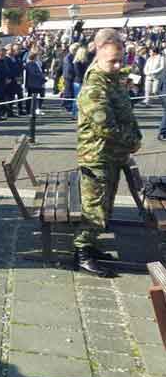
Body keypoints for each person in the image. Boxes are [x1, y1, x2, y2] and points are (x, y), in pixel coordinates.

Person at [73, 28, 142, 277]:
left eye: (120, 60)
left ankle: (91, 248)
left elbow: (126, 113)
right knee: (95, 209)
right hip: (98, 157)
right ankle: (82, 253)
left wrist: (135, 136)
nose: (118, 66)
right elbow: (105, 127)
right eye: (113, 61)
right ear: (99, 52)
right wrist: (132, 142)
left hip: (112, 156)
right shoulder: (94, 87)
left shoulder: (111, 80)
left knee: (105, 205)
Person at [24, 50, 46, 115]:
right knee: (32, 97)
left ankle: (35, 109)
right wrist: (41, 77)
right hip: (33, 83)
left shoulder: (34, 63)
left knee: (38, 96)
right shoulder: (30, 64)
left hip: (36, 83)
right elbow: (33, 73)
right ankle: (30, 110)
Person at [72, 46, 91, 119]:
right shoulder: (77, 63)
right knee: (77, 99)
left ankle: (81, 114)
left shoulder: (85, 62)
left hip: (82, 82)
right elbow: (78, 73)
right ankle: (75, 114)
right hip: (79, 82)